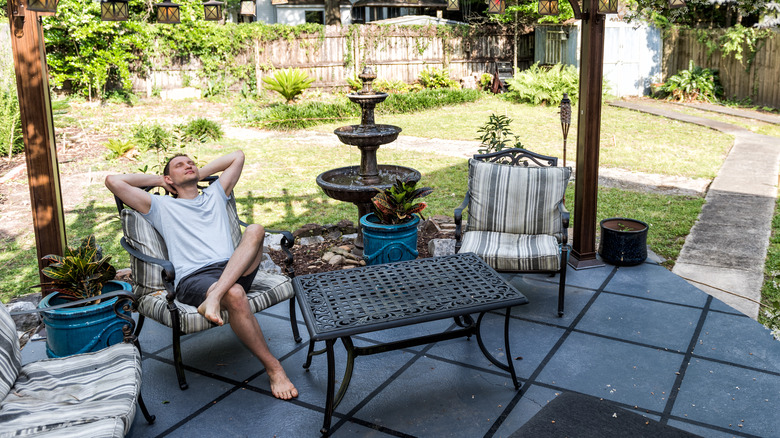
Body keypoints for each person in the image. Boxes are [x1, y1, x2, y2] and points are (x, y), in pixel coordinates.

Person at [105, 150, 298, 400]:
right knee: (236, 293)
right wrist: (162, 181)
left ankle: (215, 297)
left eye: (191, 163)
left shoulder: (216, 194)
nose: (188, 165)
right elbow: (113, 181)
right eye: (179, 165)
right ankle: (275, 368)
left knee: (256, 229)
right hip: (194, 278)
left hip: (233, 267)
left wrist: (197, 174)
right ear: (169, 180)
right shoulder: (160, 206)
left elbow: (237, 156)